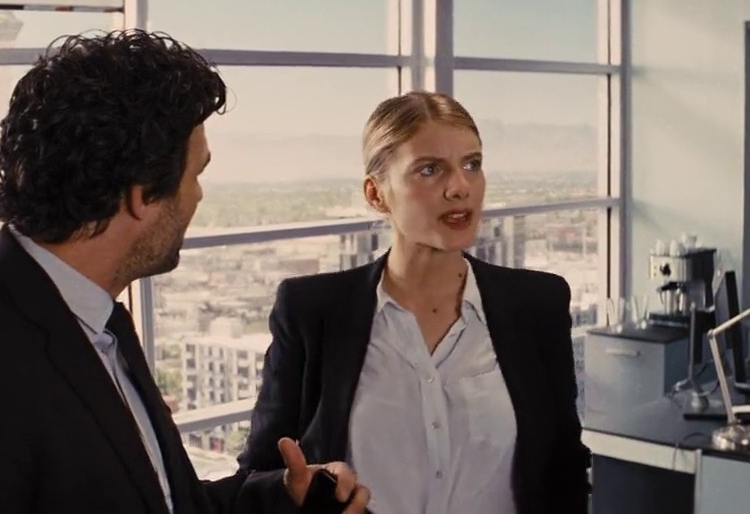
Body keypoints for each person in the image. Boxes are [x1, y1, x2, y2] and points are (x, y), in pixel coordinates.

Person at [0, 29, 370, 513]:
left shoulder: (94, 319)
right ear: (141, 195)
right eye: (196, 174)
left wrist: (281, 498)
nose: (197, 196)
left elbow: (161, 500)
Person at [236, 91, 591, 513]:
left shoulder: (537, 304)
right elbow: (260, 475)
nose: (460, 187)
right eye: (429, 170)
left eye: (472, 164)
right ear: (376, 194)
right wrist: (300, 493)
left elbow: (563, 467)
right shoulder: (312, 312)